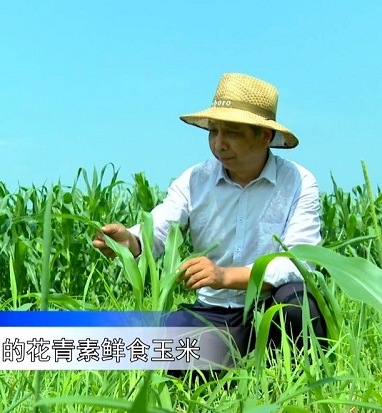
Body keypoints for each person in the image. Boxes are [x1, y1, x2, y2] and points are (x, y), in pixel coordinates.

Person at [92, 73, 327, 374]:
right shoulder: (195, 180)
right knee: (166, 351)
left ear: (265, 136)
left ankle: (295, 378)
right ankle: (235, 369)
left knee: (297, 302)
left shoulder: (297, 182)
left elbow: (299, 263)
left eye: (232, 132)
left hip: (271, 309)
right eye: (213, 131)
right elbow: (161, 227)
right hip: (213, 312)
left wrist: (225, 276)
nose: (219, 143)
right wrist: (130, 241)